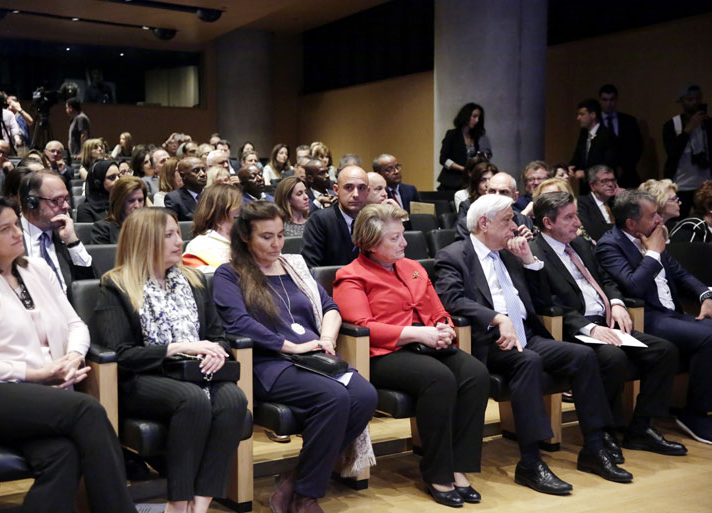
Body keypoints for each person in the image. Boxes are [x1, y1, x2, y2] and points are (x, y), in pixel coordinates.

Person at [0, 196, 136, 513]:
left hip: (41, 395)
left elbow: (76, 324)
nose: (17, 233)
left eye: (16, 225)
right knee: (87, 410)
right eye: (5, 229)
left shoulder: (37, 269)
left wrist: (73, 357)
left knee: (62, 454)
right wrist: (34, 374)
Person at [435, 194, 631, 495]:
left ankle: (594, 445)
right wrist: (496, 318)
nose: (514, 227)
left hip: (527, 334)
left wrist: (529, 261)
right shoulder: (454, 255)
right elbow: (452, 299)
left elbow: (541, 302)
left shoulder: (511, 254)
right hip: (489, 341)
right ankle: (530, 461)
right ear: (484, 223)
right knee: (528, 361)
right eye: (507, 221)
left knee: (582, 356)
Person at [213, 201, 377, 513]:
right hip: (268, 363)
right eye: (266, 237)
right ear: (245, 236)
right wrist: (291, 346)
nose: (276, 244)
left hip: (313, 357)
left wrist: (326, 338)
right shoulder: (229, 273)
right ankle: (306, 497)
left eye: (279, 235)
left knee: (365, 396)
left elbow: (329, 307)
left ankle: (294, 481)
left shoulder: (294, 267)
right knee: (334, 398)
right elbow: (237, 323)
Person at [91, 207, 247, 513]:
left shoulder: (194, 280)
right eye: (168, 235)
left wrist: (217, 352)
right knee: (192, 399)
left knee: (234, 399)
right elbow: (122, 354)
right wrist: (177, 348)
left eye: (178, 233)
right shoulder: (116, 285)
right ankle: (178, 503)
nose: (179, 241)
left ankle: (200, 504)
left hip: (194, 371)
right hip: (143, 378)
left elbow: (219, 336)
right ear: (144, 240)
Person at [333, 203, 489, 507]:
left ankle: (459, 466)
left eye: (402, 235)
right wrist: (418, 334)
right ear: (370, 243)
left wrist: (444, 328)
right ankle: (437, 472)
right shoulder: (350, 276)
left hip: (426, 344)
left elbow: (438, 310)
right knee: (439, 378)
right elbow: (364, 327)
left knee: (476, 374)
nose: (404, 243)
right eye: (394, 238)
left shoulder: (413, 267)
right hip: (381, 355)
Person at [531, 192, 686, 456]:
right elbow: (545, 303)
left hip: (607, 321)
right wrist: (590, 328)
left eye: (576, 215)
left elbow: (605, 279)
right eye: (569, 217)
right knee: (612, 358)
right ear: (548, 222)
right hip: (573, 330)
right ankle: (605, 431)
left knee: (664, 350)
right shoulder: (535, 254)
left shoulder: (580, 244)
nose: (578, 222)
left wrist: (616, 303)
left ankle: (641, 428)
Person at [595, 190, 712, 444]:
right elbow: (633, 286)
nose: (659, 219)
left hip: (671, 314)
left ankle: (694, 407)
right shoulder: (610, 245)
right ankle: (695, 414)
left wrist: (705, 295)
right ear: (631, 223)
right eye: (652, 215)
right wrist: (654, 254)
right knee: (710, 336)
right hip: (645, 316)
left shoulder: (650, 236)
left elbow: (681, 274)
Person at [19, 170, 98, 294]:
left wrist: (72, 242)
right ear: (31, 203)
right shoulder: (10, 238)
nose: (66, 206)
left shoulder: (66, 235)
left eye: (66, 199)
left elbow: (91, 285)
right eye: (56, 200)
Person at [301, 165, 369, 268]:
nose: (356, 194)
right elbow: (311, 267)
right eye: (349, 187)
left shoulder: (374, 220)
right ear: (336, 190)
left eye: (361, 188)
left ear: (368, 191)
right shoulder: (320, 221)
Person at [663, 84, 712, 218]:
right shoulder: (671, 125)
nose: (694, 102)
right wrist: (688, 129)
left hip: (705, 183)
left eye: (697, 99)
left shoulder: (708, 124)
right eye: (690, 99)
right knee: (680, 219)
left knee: (706, 220)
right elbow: (672, 152)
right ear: (682, 101)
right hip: (681, 184)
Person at [456, 172, 533, 242]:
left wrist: (529, 244)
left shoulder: (524, 221)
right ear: (486, 194)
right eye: (492, 191)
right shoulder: (468, 224)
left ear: (515, 197)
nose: (497, 196)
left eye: (503, 192)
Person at [183, 184, 241, 272]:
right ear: (219, 212)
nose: (243, 210)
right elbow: (200, 277)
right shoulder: (199, 246)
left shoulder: (247, 240)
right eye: (237, 205)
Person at [438, 103, 492, 192]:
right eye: (474, 116)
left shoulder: (478, 137)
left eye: (479, 118)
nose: (477, 120)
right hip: (451, 182)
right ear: (466, 116)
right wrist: (463, 169)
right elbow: (443, 159)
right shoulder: (452, 134)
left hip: (470, 183)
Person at [598, 84, 643, 188]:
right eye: (605, 100)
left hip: (626, 173)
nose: (608, 104)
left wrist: (624, 167)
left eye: (612, 100)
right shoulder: (594, 122)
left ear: (616, 100)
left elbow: (637, 147)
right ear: (600, 101)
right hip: (601, 175)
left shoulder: (629, 121)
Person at [569, 99, 617, 196]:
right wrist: (571, 167)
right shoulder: (583, 133)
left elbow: (607, 164)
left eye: (582, 114)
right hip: (585, 187)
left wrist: (586, 173)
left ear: (593, 115)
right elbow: (578, 156)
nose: (578, 118)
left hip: (601, 188)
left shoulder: (607, 135)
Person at [91, 176, 147, 244]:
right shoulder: (103, 229)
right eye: (131, 201)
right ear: (119, 202)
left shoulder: (150, 227)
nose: (137, 206)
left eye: (140, 200)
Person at [577, 165, 619, 241]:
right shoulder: (582, 203)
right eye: (604, 181)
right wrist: (621, 229)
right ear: (592, 186)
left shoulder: (617, 202)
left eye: (613, 180)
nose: (610, 184)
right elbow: (591, 231)